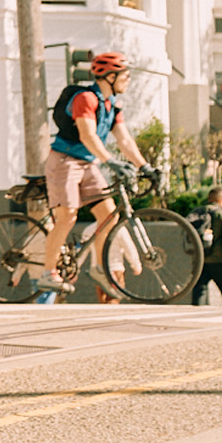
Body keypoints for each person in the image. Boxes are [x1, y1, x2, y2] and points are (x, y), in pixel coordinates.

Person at [38, 50, 147, 292]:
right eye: (124, 75)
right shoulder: (86, 98)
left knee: (110, 216)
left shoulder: (112, 105)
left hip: (88, 164)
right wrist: (111, 162)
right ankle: (48, 271)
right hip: (64, 161)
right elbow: (87, 135)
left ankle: (98, 267)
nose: (128, 79)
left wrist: (145, 166)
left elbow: (125, 141)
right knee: (67, 217)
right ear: (109, 76)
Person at [191, 184, 222, 306]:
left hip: (200, 259)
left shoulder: (196, 213)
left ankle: (195, 318)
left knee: (199, 291)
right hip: (220, 261)